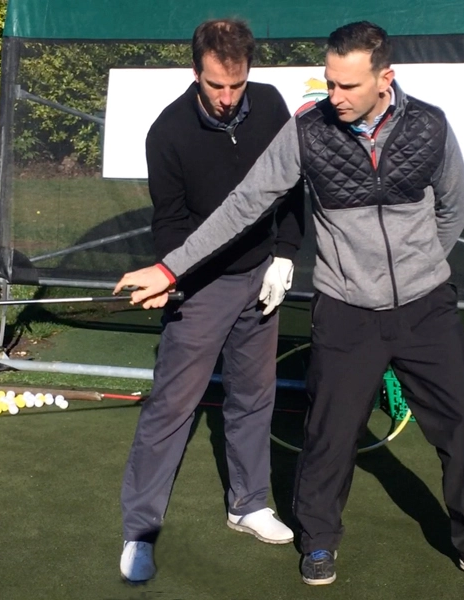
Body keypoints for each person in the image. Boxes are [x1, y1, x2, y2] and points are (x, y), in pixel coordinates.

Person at [114, 21, 464, 590]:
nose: (333, 95)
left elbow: (455, 206)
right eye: (330, 82)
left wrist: (417, 267)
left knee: (463, 427)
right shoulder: (307, 130)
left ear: (385, 79)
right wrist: (169, 269)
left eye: (347, 86)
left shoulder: (430, 124)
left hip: (425, 307)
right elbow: (243, 204)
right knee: (329, 436)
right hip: (345, 310)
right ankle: (317, 541)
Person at [117, 18, 304, 583]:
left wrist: (285, 254)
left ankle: (247, 504)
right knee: (172, 406)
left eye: (237, 85)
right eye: (216, 85)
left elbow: (290, 188)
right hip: (201, 286)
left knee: (254, 396)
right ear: (195, 71)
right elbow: (170, 221)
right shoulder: (168, 131)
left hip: (261, 277)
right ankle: (140, 529)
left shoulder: (270, 105)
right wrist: (171, 278)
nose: (227, 98)